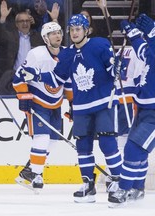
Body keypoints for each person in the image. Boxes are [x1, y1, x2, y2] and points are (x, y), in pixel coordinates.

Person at [21, 14, 124, 202]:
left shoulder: (99, 44)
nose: (74, 33)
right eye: (72, 29)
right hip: (81, 107)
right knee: (83, 147)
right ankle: (87, 184)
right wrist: (36, 74)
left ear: (87, 30)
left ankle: (118, 182)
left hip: (103, 103)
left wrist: (117, 67)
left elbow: (114, 70)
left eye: (78, 29)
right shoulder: (67, 54)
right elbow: (56, 79)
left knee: (107, 143)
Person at [12, 21, 72, 192]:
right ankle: (36, 175)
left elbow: (68, 82)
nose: (57, 36)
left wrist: (72, 103)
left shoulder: (67, 54)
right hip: (37, 103)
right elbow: (19, 77)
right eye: (53, 33)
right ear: (46, 38)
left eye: (59, 32)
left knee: (52, 141)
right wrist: (24, 97)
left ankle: (27, 173)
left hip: (56, 104)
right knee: (42, 138)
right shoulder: (36, 54)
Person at [108, 13, 155, 208]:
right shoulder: (151, 48)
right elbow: (143, 50)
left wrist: (150, 35)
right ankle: (137, 187)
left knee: (133, 148)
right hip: (143, 108)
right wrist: (133, 34)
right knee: (139, 151)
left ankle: (124, 188)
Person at [0, 0, 44, 95]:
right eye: (21, 21)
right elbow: (1, 34)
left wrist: (55, 20)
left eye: (27, 21)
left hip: (33, 78)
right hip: (13, 78)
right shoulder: (11, 36)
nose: (25, 24)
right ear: (16, 24)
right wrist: (3, 18)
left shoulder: (37, 37)